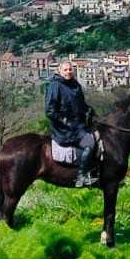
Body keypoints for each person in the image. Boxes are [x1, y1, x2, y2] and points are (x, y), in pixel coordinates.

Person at [45, 59, 98, 187]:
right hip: (65, 129)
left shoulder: (75, 85)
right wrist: (65, 121)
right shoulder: (55, 86)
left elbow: (79, 105)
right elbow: (50, 111)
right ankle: (81, 177)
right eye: (66, 70)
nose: (68, 72)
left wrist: (88, 109)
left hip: (78, 125)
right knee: (90, 143)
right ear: (59, 71)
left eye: (70, 69)